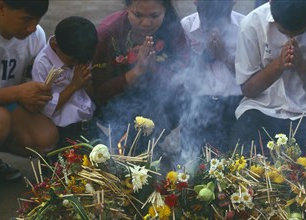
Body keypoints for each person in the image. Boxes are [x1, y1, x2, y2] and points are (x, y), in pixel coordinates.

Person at [229, 0, 306, 158]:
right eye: (284, 31)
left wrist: (301, 66)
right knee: (243, 155)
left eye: (300, 32)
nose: (291, 36)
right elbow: (248, 89)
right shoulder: (252, 24)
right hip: (262, 108)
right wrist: (278, 65)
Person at [92, 0, 189, 153]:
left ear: (165, 11)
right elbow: (96, 92)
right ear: (127, 8)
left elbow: (183, 81)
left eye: (154, 15)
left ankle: (149, 144)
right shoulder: (108, 32)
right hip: (116, 105)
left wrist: (155, 70)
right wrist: (134, 73)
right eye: (138, 15)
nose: (145, 23)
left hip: (160, 103)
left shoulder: (173, 30)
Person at [0, 0, 58, 181]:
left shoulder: (35, 35)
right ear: (0, 7)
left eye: (37, 20)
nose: (32, 27)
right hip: (1, 111)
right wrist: (18, 93)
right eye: (26, 19)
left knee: (44, 139)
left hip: (5, 105)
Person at [177, 0, 244, 158]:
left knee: (233, 158)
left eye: (221, 22)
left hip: (235, 100)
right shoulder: (186, 26)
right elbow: (185, 75)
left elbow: (251, 76)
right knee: (192, 158)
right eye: (208, 22)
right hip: (199, 100)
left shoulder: (244, 26)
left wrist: (224, 55)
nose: (214, 28)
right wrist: (206, 55)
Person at [32, 16, 98, 146]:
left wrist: (86, 84)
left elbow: (91, 94)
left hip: (87, 123)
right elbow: (45, 109)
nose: (75, 64)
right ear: (56, 45)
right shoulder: (43, 64)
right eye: (72, 60)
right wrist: (74, 85)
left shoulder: (81, 54)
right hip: (61, 131)